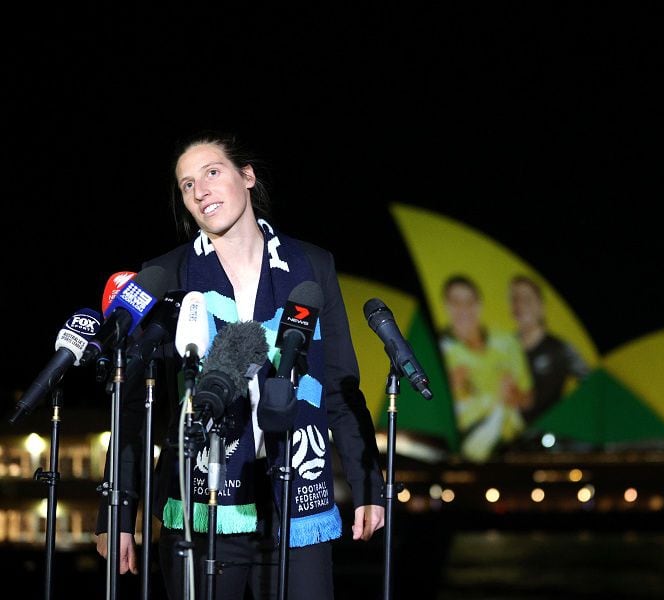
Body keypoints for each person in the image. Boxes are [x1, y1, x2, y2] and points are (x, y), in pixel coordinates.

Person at [93, 130, 385, 599]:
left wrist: (368, 480)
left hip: (296, 499)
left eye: (212, 172)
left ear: (246, 177)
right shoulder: (166, 275)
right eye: (187, 185)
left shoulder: (312, 265)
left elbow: (338, 384)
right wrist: (116, 511)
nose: (200, 190)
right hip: (200, 504)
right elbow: (133, 407)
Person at [439, 274, 533, 462]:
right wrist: (447, 387)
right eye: (456, 302)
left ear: (479, 305)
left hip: (511, 448)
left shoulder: (506, 342)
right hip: (461, 452)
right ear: (446, 307)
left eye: (469, 302)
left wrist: (513, 394)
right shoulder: (439, 349)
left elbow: (527, 399)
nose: (463, 309)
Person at [508, 274, 591, 425]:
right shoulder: (503, 348)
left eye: (526, 300)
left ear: (540, 306)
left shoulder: (560, 348)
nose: (519, 306)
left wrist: (567, 416)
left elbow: (591, 384)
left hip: (552, 438)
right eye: (515, 299)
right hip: (511, 440)